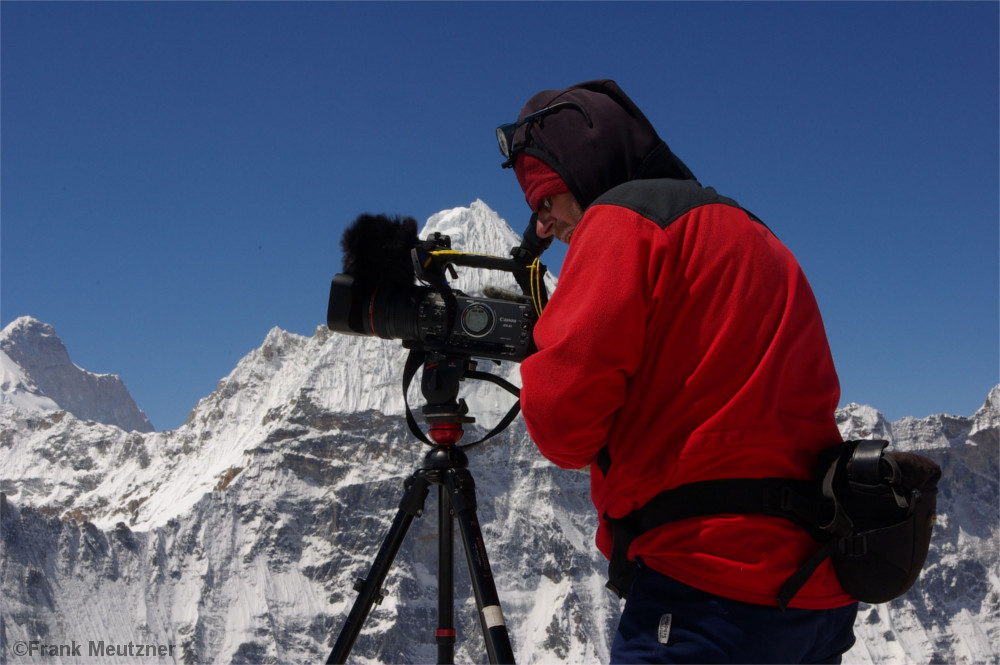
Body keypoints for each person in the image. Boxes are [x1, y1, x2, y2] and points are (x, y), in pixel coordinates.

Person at [496, 79, 859, 664]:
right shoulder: (756, 233)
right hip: (816, 590)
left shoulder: (620, 223)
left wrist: (546, 345)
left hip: (706, 594)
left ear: (584, 172)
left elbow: (563, 428)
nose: (543, 226)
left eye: (545, 200)